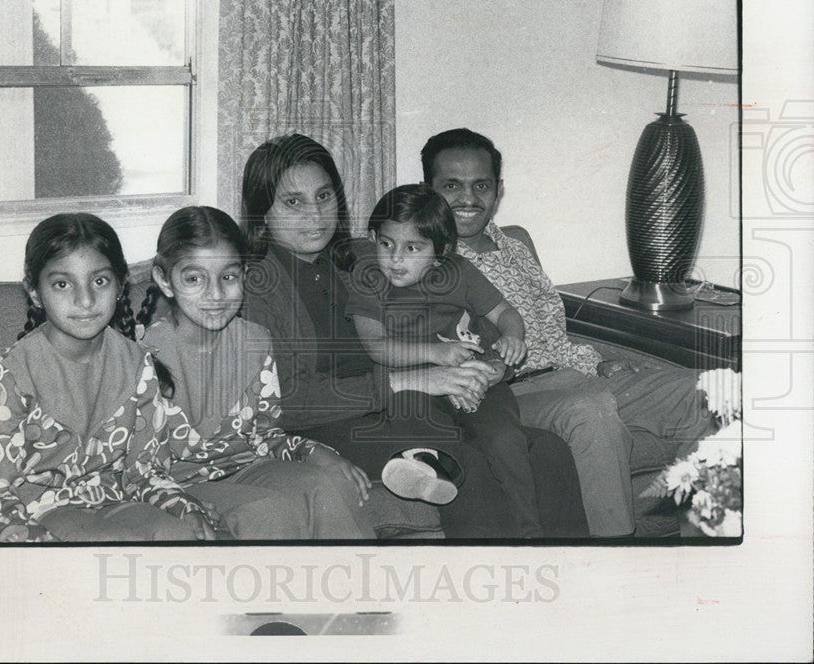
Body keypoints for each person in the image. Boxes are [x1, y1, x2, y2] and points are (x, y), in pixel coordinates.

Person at [240, 133, 589, 538]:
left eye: (323, 196)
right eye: (293, 202)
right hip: (327, 426)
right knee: (464, 464)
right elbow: (284, 402)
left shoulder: (370, 255)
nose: (315, 215)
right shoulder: (256, 287)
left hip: (415, 407)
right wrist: (414, 378)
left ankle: (568, 583)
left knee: (547, 452)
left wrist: (488, 368)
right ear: (261, 212)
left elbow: (468, 316)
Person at [422, 127, 717, 537]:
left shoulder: (516, 245)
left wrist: (599, 361)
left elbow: (554, 335)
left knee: (710, 391)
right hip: (506, 395)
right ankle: (612, 562)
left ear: (498, 190)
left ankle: (704, 563)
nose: (468, 198)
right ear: (428, 189)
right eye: (451, 185)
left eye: (481, 185)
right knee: (589, 408)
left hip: (571, 375)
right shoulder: (424, 258)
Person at [135, 205, 376, 540]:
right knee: (265, 510)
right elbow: (139, 469)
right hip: (182, 483)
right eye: (194, 279)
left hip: (249, 466)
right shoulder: (144, 356)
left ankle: (356, 587)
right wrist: (181, 506)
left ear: (244, 275)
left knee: (331, 483)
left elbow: (265, 434)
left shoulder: (255, 340)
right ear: (164, 279)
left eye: (228, 277)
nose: (216, 294)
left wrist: (311, 451)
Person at [0, 212, 204, 543]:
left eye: (100, 281)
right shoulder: (10, 377)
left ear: (121, 285)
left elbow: (145, 471)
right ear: (34, 292)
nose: (86, 300)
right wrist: (29, 538)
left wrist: (183, 506)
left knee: (178, 534)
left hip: (114, 500)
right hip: (32, 509)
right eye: (63, 284)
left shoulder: (139, 365)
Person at [346, 183, 541, 536]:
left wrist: (513, 337)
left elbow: (506, 313)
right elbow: (377, 345)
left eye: (413, 248)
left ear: (441, 253)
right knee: (406, 411)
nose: (395, 259)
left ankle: (529, 536)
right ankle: (428, 465)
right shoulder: (368, 279)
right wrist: (435, 354)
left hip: (470, 377)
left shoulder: (460, 272)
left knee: (504, 441)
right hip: (414, 385)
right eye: (386, 243)